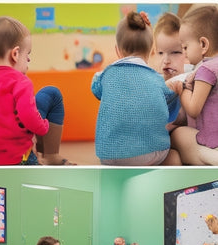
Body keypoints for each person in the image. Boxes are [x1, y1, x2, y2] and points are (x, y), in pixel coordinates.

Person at [0, 16, 73, 166]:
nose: (28, 60)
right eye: (28, 54)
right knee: (52, 94)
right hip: (17, 158)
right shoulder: (20, 81)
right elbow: (28, 115)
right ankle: (51, 155)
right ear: (15, 54)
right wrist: (43, 126)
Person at [91, 11, 180, 165]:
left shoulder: (106, 75)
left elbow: (95, 88)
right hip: (152, 153)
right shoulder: (156, 79)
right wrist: (177, 90)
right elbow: (169, 102)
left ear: (117, 50)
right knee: (174, 157)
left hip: (108, 154)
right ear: (151, 50)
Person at [168, 5, 218, 165]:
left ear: (203, 45)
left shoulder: (206, 69)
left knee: (177, 134)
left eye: (185, 47)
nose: (184, 53)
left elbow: (194, 109)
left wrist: (182, 90)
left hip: (211, 143)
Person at [152, 12, 188, 81]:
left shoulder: (190, 79)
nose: (166, 61)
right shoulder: (154, 80)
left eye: (175, 52)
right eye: (160, 53)